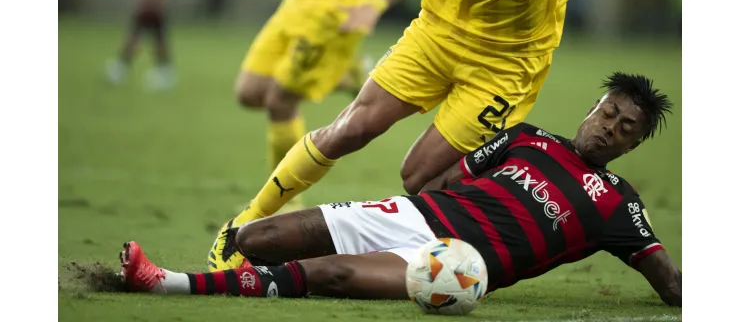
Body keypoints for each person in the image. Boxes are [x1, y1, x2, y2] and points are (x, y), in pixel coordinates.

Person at [209, 0, 601, 270]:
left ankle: (482, 234)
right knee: (351, 128)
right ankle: (243, 227)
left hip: (508, 59)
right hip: (438, 31)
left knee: (419, 177)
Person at [119, 72, 681, 307]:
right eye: (608, 113)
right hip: (418, 213)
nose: (609, 127)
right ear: (591, 108)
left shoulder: (619, 205)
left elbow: (670, 285)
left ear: (631, 146)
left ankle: (166, 283)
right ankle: (252, 267)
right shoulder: (526, 138)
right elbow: (448, 179)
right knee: (259, 236)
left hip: (457, 265)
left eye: (624, 128)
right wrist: (411, 207)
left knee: (331, 274)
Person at [214, 0, 427, 240]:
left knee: (279, 101)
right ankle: (344, 73)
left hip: (335, 16)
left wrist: (375, 4)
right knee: (248, 92)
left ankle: (287, 202)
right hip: (295, 4)